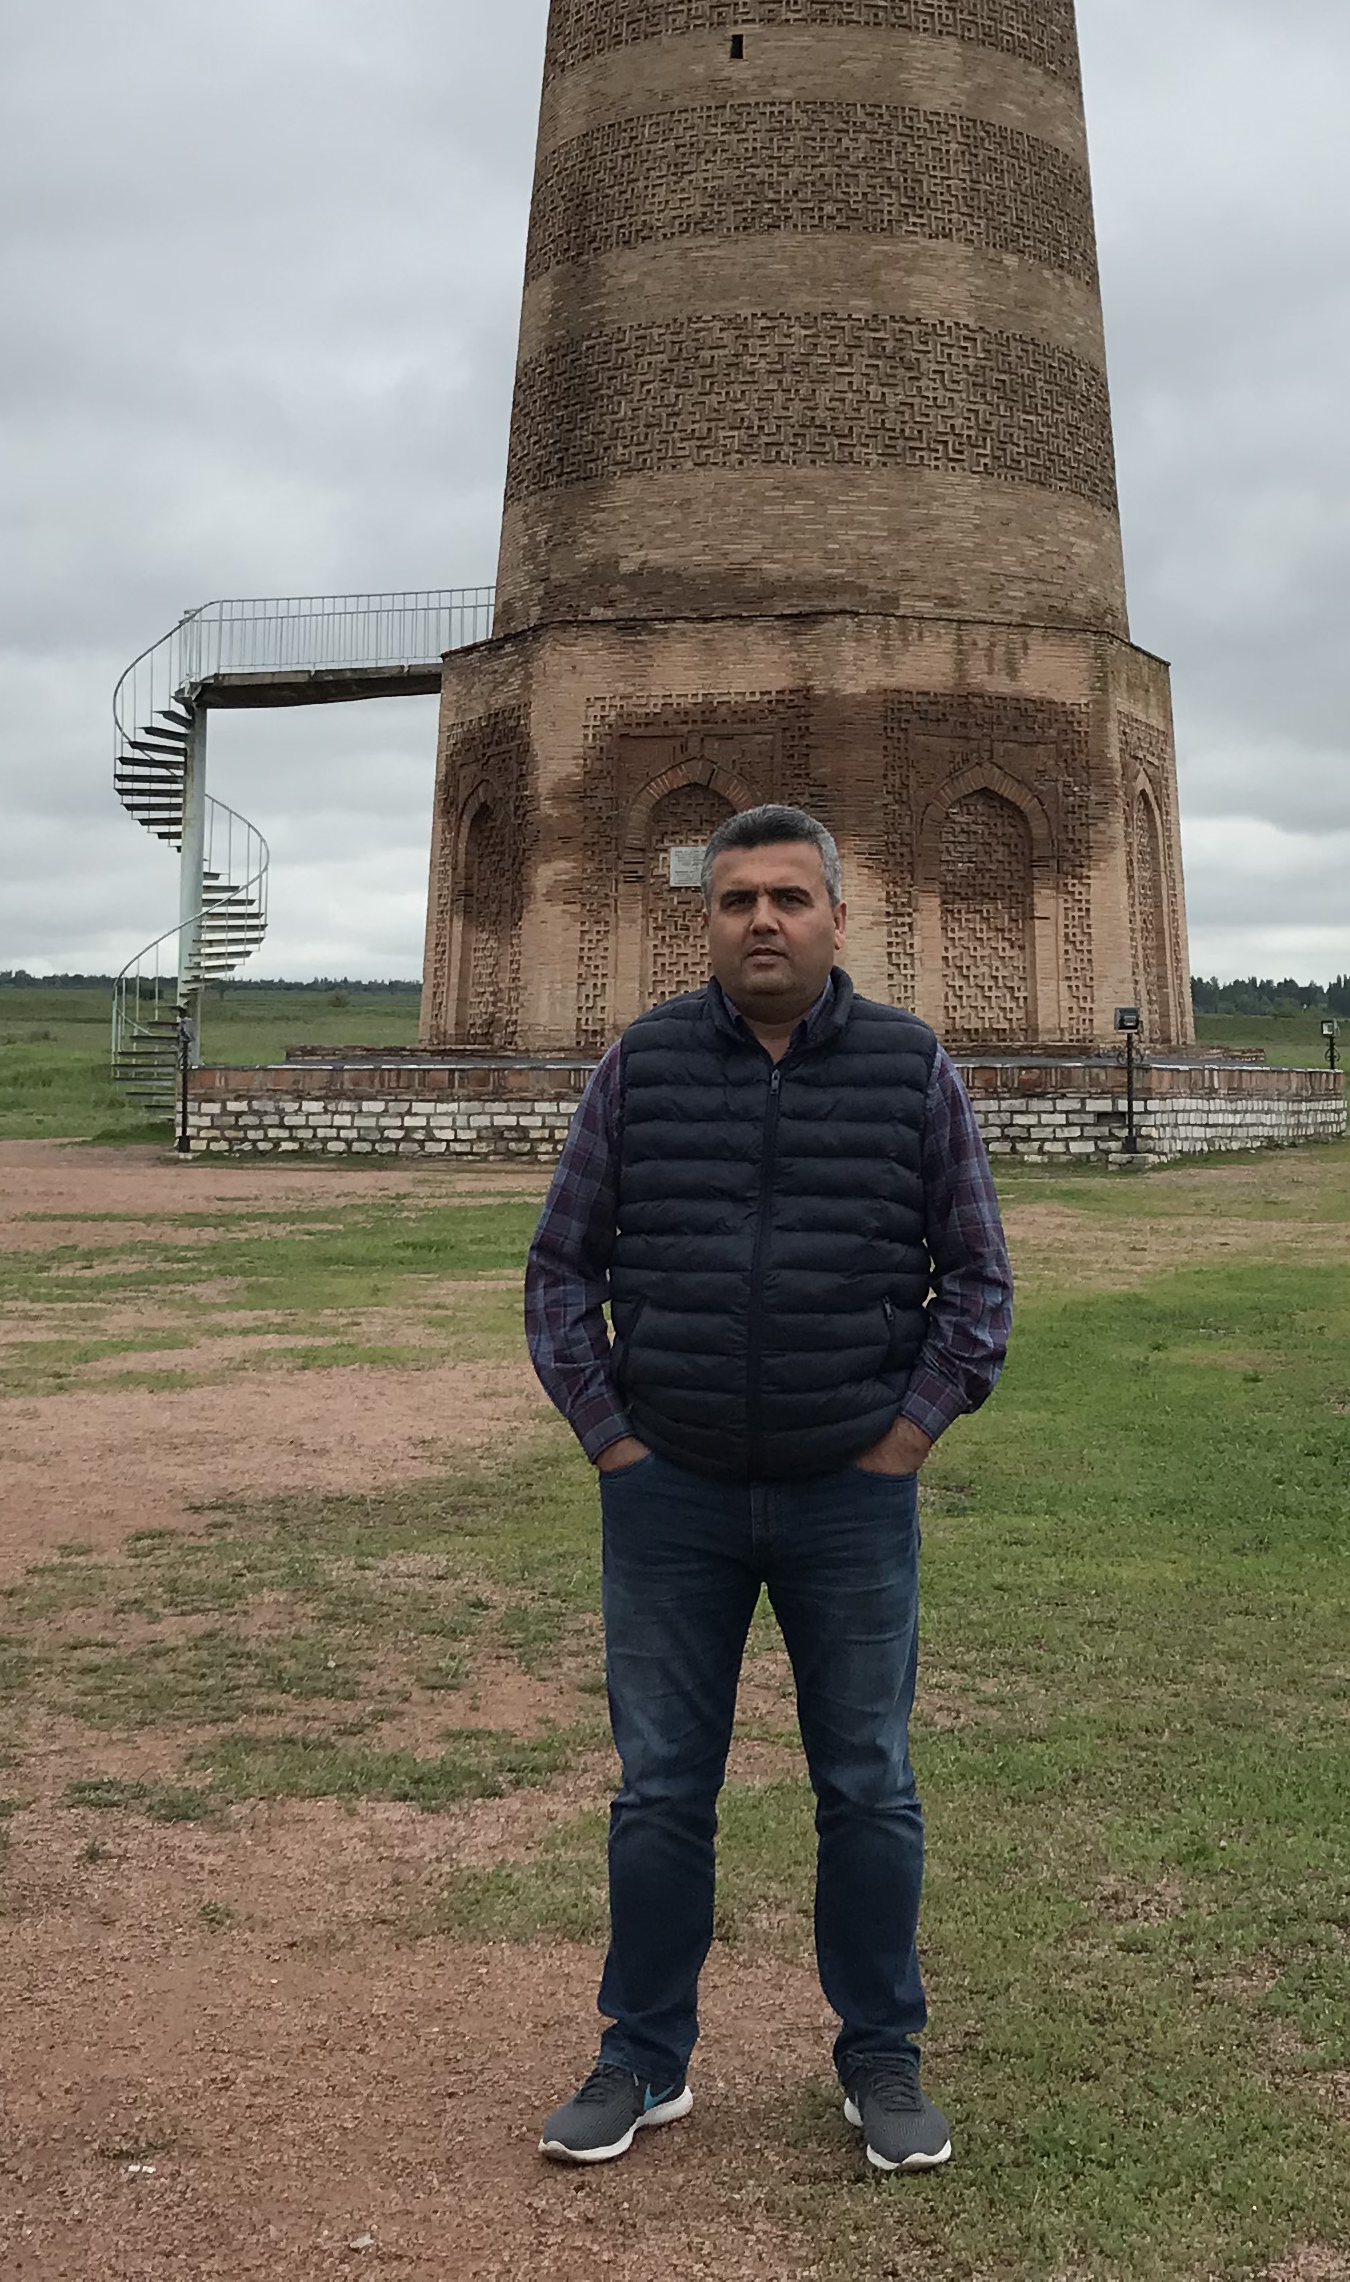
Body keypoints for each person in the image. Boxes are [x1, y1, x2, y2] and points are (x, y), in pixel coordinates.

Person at [526, 802, 1013, 2178]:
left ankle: (881, 2057)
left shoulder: (910, 1068)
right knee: (660, 1791)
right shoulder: (644, 1064)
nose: (764, 921)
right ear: (708, 921)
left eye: (790, 898)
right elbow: (560, 1268)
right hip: (668, 1490)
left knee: (867, 1785)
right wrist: (612, 1438)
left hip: (848, 1492)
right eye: (739, 899)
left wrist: (907, 1436)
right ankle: (642, 2056)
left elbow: (977, 1280)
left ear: (837, 920)